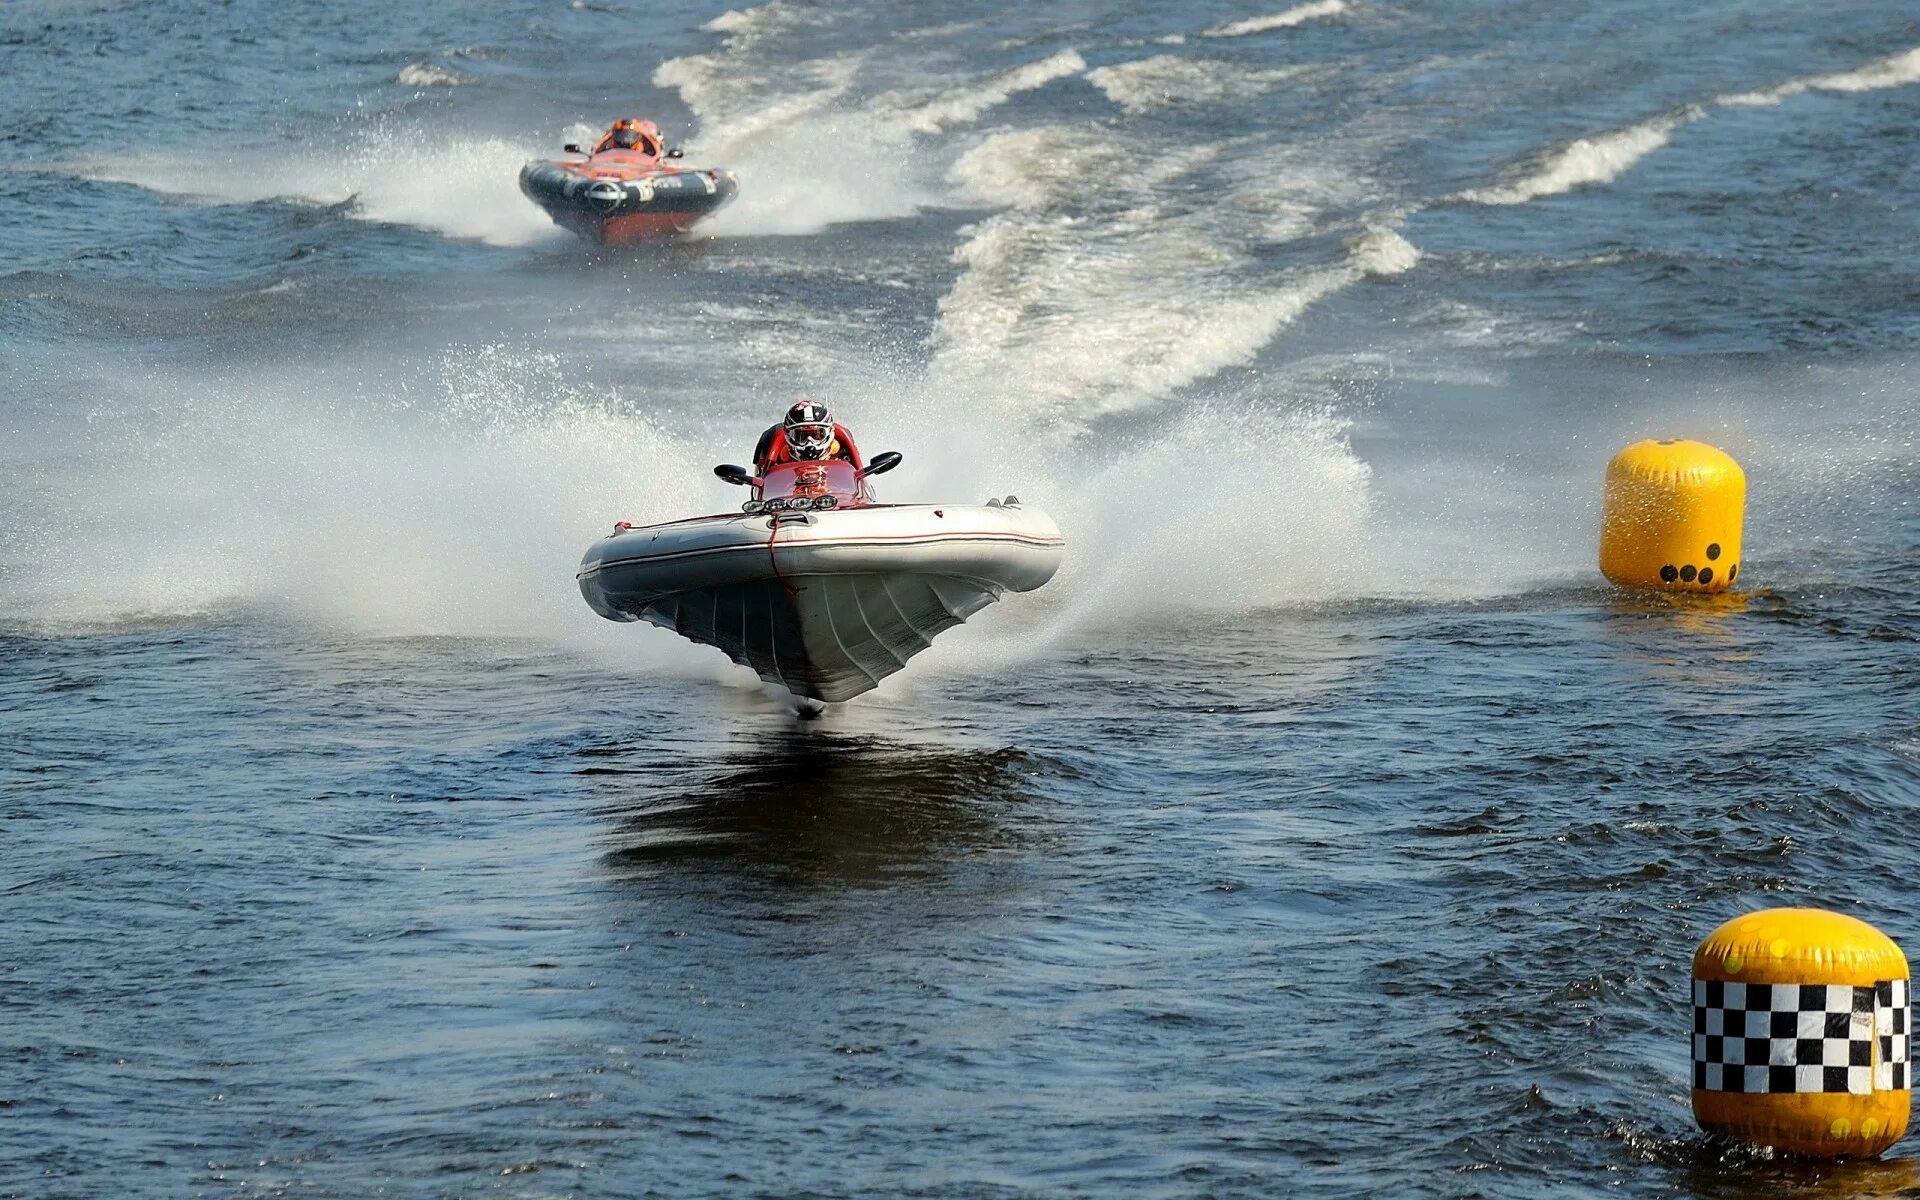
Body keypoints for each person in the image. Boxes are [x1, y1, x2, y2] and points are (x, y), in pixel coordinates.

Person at [754, 401, 862, 473]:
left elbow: (860, 475)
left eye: (817, 435)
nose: (809, 442)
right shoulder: (777, 449)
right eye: (801, 436)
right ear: (789, 436)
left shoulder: (841, 446)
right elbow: (764, 482)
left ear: (829, 433)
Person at [592, 118, 663, 157]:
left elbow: (655, 157)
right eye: (621, 136)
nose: (624, 140)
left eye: (630, 136)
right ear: (614, 135)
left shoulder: (648, 150)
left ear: (638, 137)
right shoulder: (607, 147)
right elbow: (596, 154)